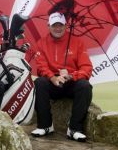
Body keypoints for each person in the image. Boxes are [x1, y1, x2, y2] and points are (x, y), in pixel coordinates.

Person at [31, 12, 93, 142]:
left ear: (66, 26)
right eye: (54, 25)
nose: (57, 28)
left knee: (85, 86)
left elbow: (87, 68)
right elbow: (42, 67)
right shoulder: (41, 43)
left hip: (71, 82)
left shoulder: (77, 42)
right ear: (48, 26)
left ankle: (74, 129)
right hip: (53, 83)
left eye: (60, 25)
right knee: (39, 82)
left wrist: (71, 76)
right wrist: (53, 78)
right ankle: (46, 125)